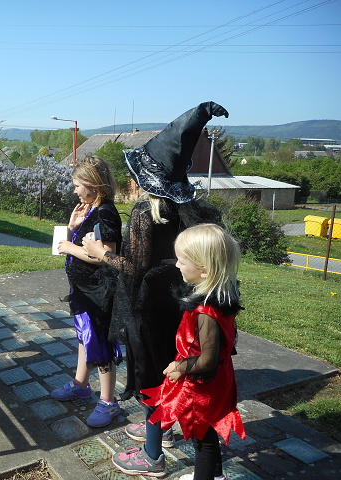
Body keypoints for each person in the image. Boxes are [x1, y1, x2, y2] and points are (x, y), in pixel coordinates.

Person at [84, 102, 228, 476]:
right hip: (184, 308)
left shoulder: (143, 215)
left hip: (149, 310)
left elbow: (133, 270)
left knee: (152, 374)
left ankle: (152, 454)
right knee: (174, 367)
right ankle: (162, 428)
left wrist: (101, 253)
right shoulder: (196, 211)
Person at [113, 224, 245, 480]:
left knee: (202, 438)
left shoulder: (206, 312)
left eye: (182, 261)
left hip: (202, 385)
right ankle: (216, 477)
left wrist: (179, 367)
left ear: (204, 270)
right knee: (207, 432)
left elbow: (207, 360)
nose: (176, 265)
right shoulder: (219, 297)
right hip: (217, 379)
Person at [50, 156, 123, 427]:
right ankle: (81, 384)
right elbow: (85, 244)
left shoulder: (106, 213)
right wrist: (72, 229)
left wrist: (69, 246)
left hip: (98, 293)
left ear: (93, 184)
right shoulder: (92, 210)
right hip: (83, 290)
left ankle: (108, 401)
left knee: (100, 342)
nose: (75, 191)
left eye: (77, 185)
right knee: (85, 337)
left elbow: (106, 255)